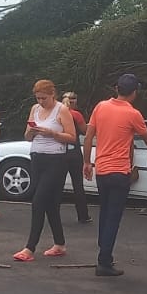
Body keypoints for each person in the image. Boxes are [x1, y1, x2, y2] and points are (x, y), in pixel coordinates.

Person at [83, 73, 147, 277]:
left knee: (105, 213)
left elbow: (89, 137)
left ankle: (103, 252)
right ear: (134, 93)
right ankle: (104, 261)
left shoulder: (101, 107)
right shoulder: (133, 114)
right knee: (113, 217)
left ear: (117, 89)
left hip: (102, 170)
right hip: (120, 171)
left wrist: (87, 162)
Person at [13, 81, 76, 261]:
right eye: (38, 98)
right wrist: (33, 131)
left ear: (52, 94)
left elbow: (72, 137)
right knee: (51, 204)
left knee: (38, 200)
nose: (41, 102)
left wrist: (53, 133)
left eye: (44, 98)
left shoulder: (61, 110)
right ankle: (59, 243)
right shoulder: (35, 109)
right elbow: (26, 136)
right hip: (37, 158)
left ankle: (29, 248)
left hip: (55, 159)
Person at [62, 90, 90, 223]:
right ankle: (83, 215)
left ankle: (52, 213)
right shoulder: (76, 115)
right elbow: (85, 131)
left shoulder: (57, 113)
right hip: (74, 151)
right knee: (78, 185)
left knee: (57, 184)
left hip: (60, 151)